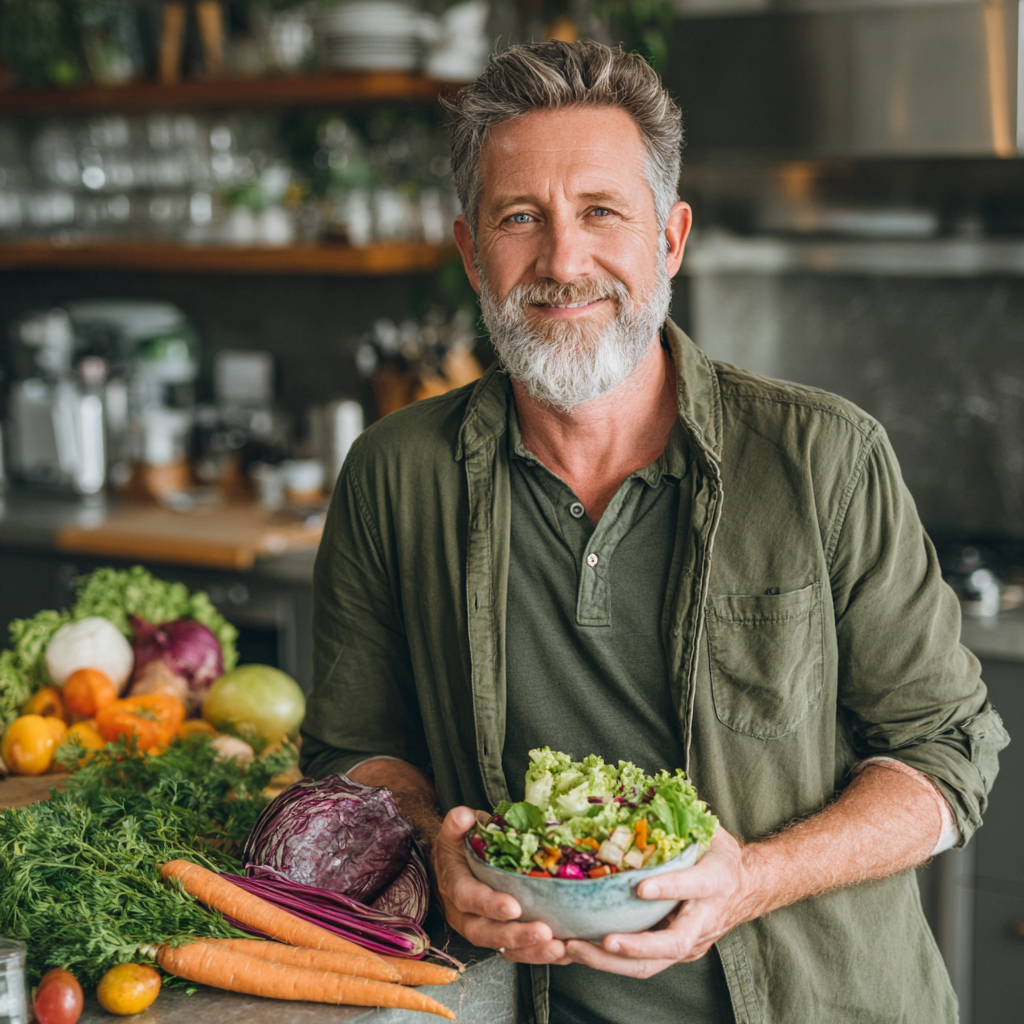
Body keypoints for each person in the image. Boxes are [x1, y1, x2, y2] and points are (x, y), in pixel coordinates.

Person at [301, 40, 1009, 1024]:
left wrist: (751, 877)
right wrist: (434, 848)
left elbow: (943, 755)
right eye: (519, 218)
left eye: (600, 211)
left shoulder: (823, 457)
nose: (562, 260)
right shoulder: (393, 473)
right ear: (470, 250)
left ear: (669, 238)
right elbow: (355, 751)